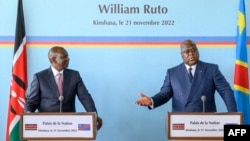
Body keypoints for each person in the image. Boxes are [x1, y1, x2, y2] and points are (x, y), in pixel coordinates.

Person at [135, 39, 237, 112]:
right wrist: (151, 101)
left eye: (194, 50)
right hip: (181, 125)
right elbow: (164, 94)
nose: (191, 54)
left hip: (207, 124)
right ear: (181, 55)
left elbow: (226, 92)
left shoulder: (212, 69)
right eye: (187, 51)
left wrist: (233, 116)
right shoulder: (172, 73)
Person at [24, 46, 102, 130]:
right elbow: (32, 101)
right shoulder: (40, 77)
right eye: (64, 57)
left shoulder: (74, 76)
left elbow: (85, 97)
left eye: (67, 56)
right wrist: (28, 115)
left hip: (69, 126)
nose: (68, 59)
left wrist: (94, 115)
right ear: (53, 59)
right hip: (46, 126)